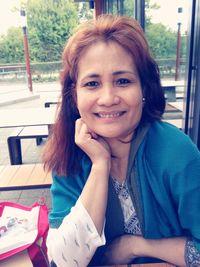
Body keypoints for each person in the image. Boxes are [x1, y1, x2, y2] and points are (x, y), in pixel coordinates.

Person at [43, 14, 200, 267]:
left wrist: (135, 245)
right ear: (74, 96)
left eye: (123, 81)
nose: (107, 98)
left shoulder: (177, 152)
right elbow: (63, 261)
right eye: (92, 83)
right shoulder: (69, 155)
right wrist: (100, 165)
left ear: (144, 89)